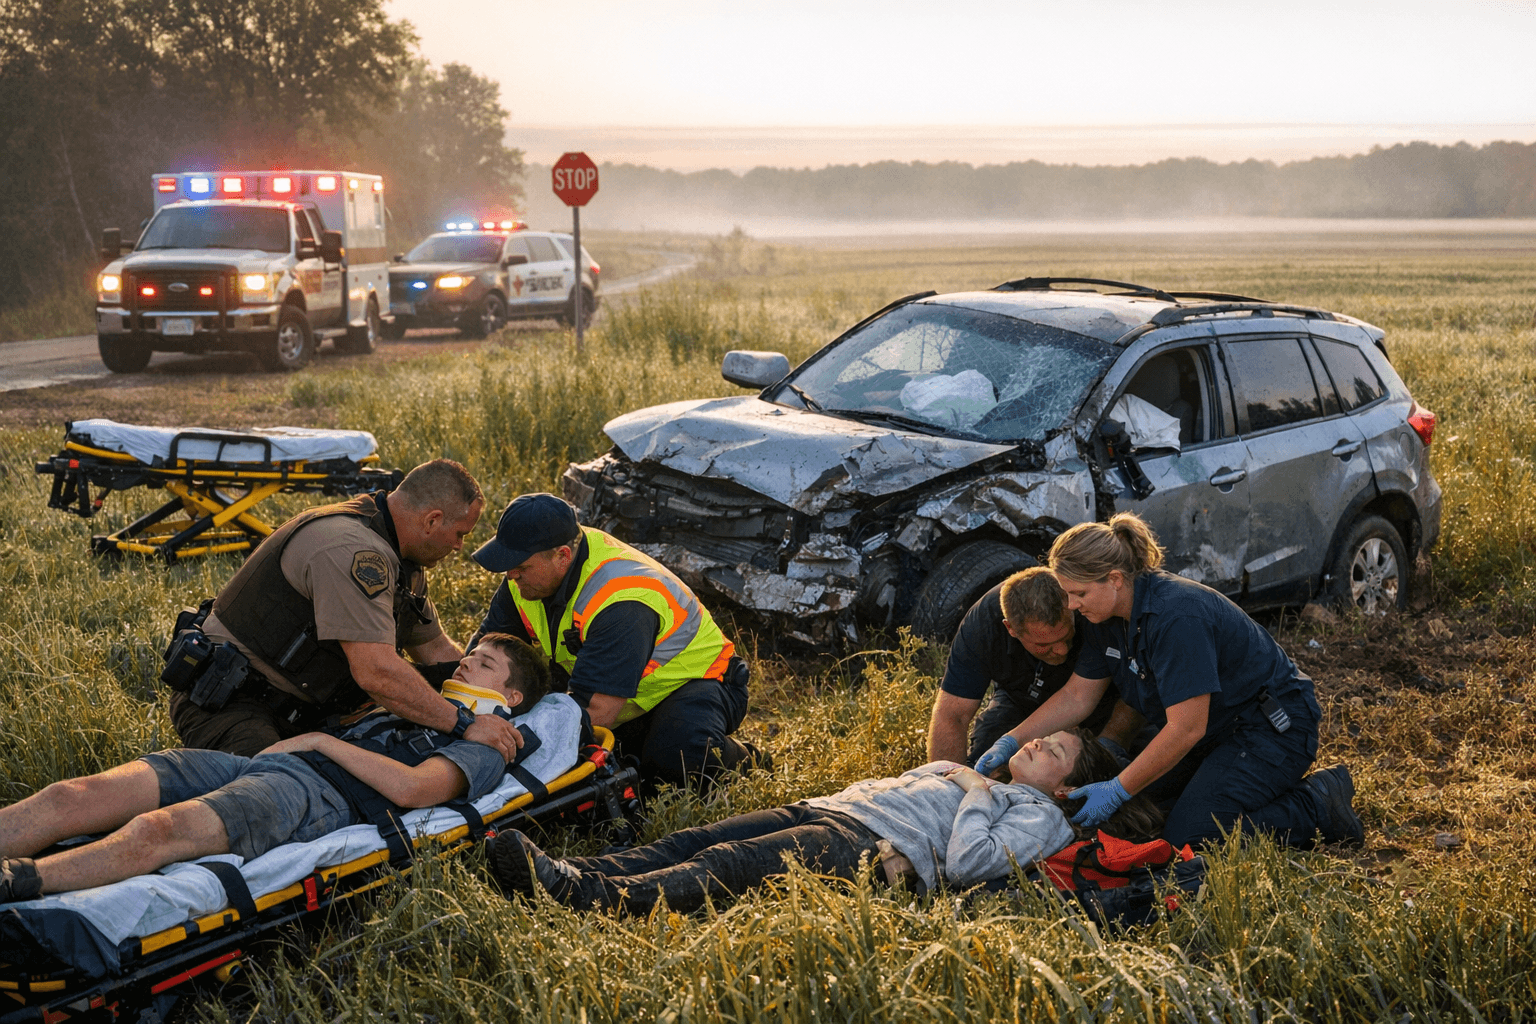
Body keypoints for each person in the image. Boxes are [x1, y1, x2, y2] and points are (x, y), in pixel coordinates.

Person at [0, 634, 550, 904]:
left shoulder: (489, 744)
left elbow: (411, 789)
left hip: (316, 797)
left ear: (511, 695)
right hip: (267, 766)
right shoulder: (432, 706)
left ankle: (19, 882)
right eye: (469, 653)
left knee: (157, 830)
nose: (465, 661)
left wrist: (319, 742)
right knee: (72, 796)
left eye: (484, 663)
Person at [971, 512, 1364, 850]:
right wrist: (1012, 740)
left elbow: (1186, 728)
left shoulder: (1177, 617)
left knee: (1191, 836)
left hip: (1270, 729)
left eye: (1079, 593)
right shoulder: (1104, 618)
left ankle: (1315, 804)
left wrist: (1118, 788)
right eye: (1067, 594)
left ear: (1115, 579)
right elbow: (1077, 696)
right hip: (1216, 733)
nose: (1071, 605)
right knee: (1143, 812)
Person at [487, 727, 1157, 915]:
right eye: (1044, 736)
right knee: (694, 838)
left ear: (1068, 786)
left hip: (870, 845)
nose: (1037, 742)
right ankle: (575, 870)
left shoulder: (1041, 814)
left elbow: (970, 862)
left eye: (1055, 750)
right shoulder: (973, 773)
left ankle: (580, 895)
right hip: (833, 810)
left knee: (725, 866)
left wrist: (977, 788)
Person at [170, 459, 523, 766]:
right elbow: (377, 672)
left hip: (308, 712)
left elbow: (435, 651)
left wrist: (497, 701)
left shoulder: (403, 557)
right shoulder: (354, 550)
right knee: (273, 796)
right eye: (460, 534)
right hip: (233, 704)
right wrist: (465, 724)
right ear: (432, 520)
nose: (459, 546)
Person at [470, 493, 762, 790]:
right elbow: (483, 653)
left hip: (700, 681)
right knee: (613, 754)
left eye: (520, 567)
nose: (511, 575)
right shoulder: (528, 578)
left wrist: (510, 741)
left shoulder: (621, 601)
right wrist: (462, 713)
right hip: (625, 692)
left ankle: (750, 763)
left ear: (562, 556)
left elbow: (597, 711)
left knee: (674, 759)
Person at [927, 567, 1142, 765]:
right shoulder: (982, 626)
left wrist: (1113, 741)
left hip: (1101, 701)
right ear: (1011, 629)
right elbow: (952, 715)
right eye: (1044, 645)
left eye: (1067, 637)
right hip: (1021, 699)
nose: (1062, 650)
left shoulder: (1090, 610)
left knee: (1114, 765)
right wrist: (945, 781)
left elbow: (1133, 687)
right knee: (988, 760)